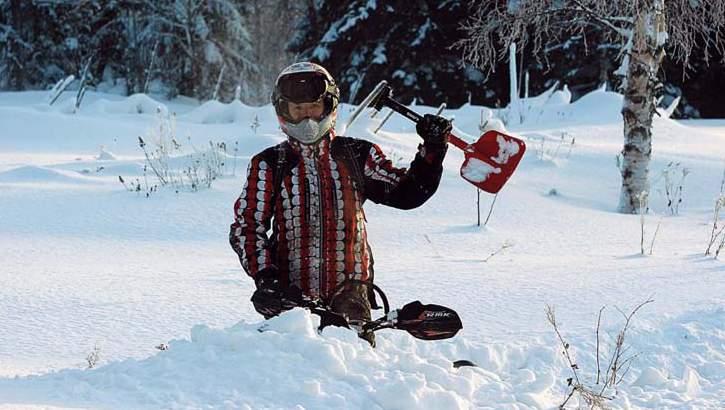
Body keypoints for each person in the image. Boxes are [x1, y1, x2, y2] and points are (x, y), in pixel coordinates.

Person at [229, 62, 451, 346]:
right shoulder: (269, 164)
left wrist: (432, 153)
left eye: (313, 107)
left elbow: (407, 194)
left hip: (351, 292)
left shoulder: (358, 155)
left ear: (329, 106)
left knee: (350, 366)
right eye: (298, 110)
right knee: (284, 373)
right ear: (284, 112)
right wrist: (266, 278)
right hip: (289, 296)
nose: (306, 118)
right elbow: (247, 227)